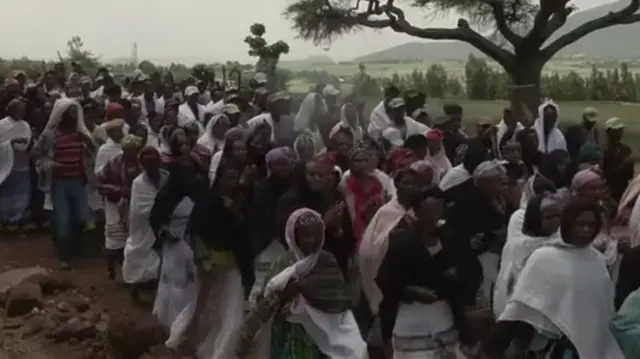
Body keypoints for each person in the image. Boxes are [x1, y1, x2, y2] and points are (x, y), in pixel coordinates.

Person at [480, 198, 625, 359]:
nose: (585, 229)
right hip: (552, 347)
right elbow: (521, 307)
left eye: (591, 225)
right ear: (567, 224)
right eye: (579, 224)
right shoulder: (544, 257)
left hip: (591, 345)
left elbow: (601, 308)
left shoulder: (596, 260)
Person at [236, 208, 367, 359]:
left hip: (320, 336)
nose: (312, 240)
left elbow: (340, 300)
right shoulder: (283, 263)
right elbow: (267, 301)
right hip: (288, 335)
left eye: (315, 235)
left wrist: (305, 288)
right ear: (294, 237)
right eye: (306, 236)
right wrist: (287, 294)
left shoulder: (326, 261)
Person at [377, 188, 482, 358]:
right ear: (417, 212)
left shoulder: (449, 238)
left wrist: (458, 274)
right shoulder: (403, 242)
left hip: (445, 314)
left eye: (437, 211)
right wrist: (408, 291)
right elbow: (385, 279)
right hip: (412, 316)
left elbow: (469, 267)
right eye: (428, 211)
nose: (433, 217)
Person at [184, 161, 253, 359]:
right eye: (227, 178)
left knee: (232, 312)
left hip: (234, 264)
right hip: (212, 264)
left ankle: (223, 353)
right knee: (212, 311)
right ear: (219, 179)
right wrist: (203, 257)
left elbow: (246, 232)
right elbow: (196, 230)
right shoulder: (208, 200)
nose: (231, 182)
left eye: (235, 178)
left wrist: (235, 212)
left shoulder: (242, 199)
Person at [32, 98, 95, 269]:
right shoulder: (49, 135)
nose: (74, 116)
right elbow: (36, 154)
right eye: (70, 113)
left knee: (82, 216)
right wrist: (48, 164)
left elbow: (92, 153)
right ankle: (64, 255)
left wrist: (89, 144)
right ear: (62, 115)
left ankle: (77, 247)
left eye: (75, 113)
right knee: (63, 219)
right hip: (59, 182)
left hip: (79, 181)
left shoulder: (81, 133)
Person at [493, 193, 563, 318]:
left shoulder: (562, 244)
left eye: (558, 215)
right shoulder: (520, 246)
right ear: (535, 218)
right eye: (549, 217)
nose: (555, 220)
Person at [248, 147, 296, 305]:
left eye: (285, 164)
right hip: (267, 241)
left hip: (287, 241)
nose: (282, 168)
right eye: (278, 164)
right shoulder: (263, 189)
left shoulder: (294, 187)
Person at [95, 134, 144, 280]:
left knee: (131, 237)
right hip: (114, 203)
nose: (132, 153)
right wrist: (118, 190)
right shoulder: (113, 162)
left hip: (134, 203)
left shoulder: (141, 164)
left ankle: (127, 271)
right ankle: (111, 265)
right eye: (129, 150)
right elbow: (99, 182)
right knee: (115, 237)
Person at [122, 146, 165, 301]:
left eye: (154, 162)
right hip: (143, 227)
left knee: (162, 257)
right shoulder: (138, 183)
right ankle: (135, 288)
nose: (152, 166)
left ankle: (157, 294)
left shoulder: (165, 178)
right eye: (148, 163)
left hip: (161, 224)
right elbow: (138, 210)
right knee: (139, 252)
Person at [0, 98, 32, 231]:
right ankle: (7, 220)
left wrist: (26, 143)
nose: (23, 112)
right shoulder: (2, 125)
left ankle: (19, 218)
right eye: (20, 109)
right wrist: (10, 143)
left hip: (23, 163)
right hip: (7, 164)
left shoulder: (25, 125)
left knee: (22, 193)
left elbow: (29, 140)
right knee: (8, 193)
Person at [602, 117, 634, 202]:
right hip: (609, 190)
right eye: (617, 131)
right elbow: (604, 173)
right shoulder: (604, 151)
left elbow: (630, 174)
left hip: (623, 188)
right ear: (609, 132)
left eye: (620, 130)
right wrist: (623, 165)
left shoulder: (626, 149)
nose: (619, 133)